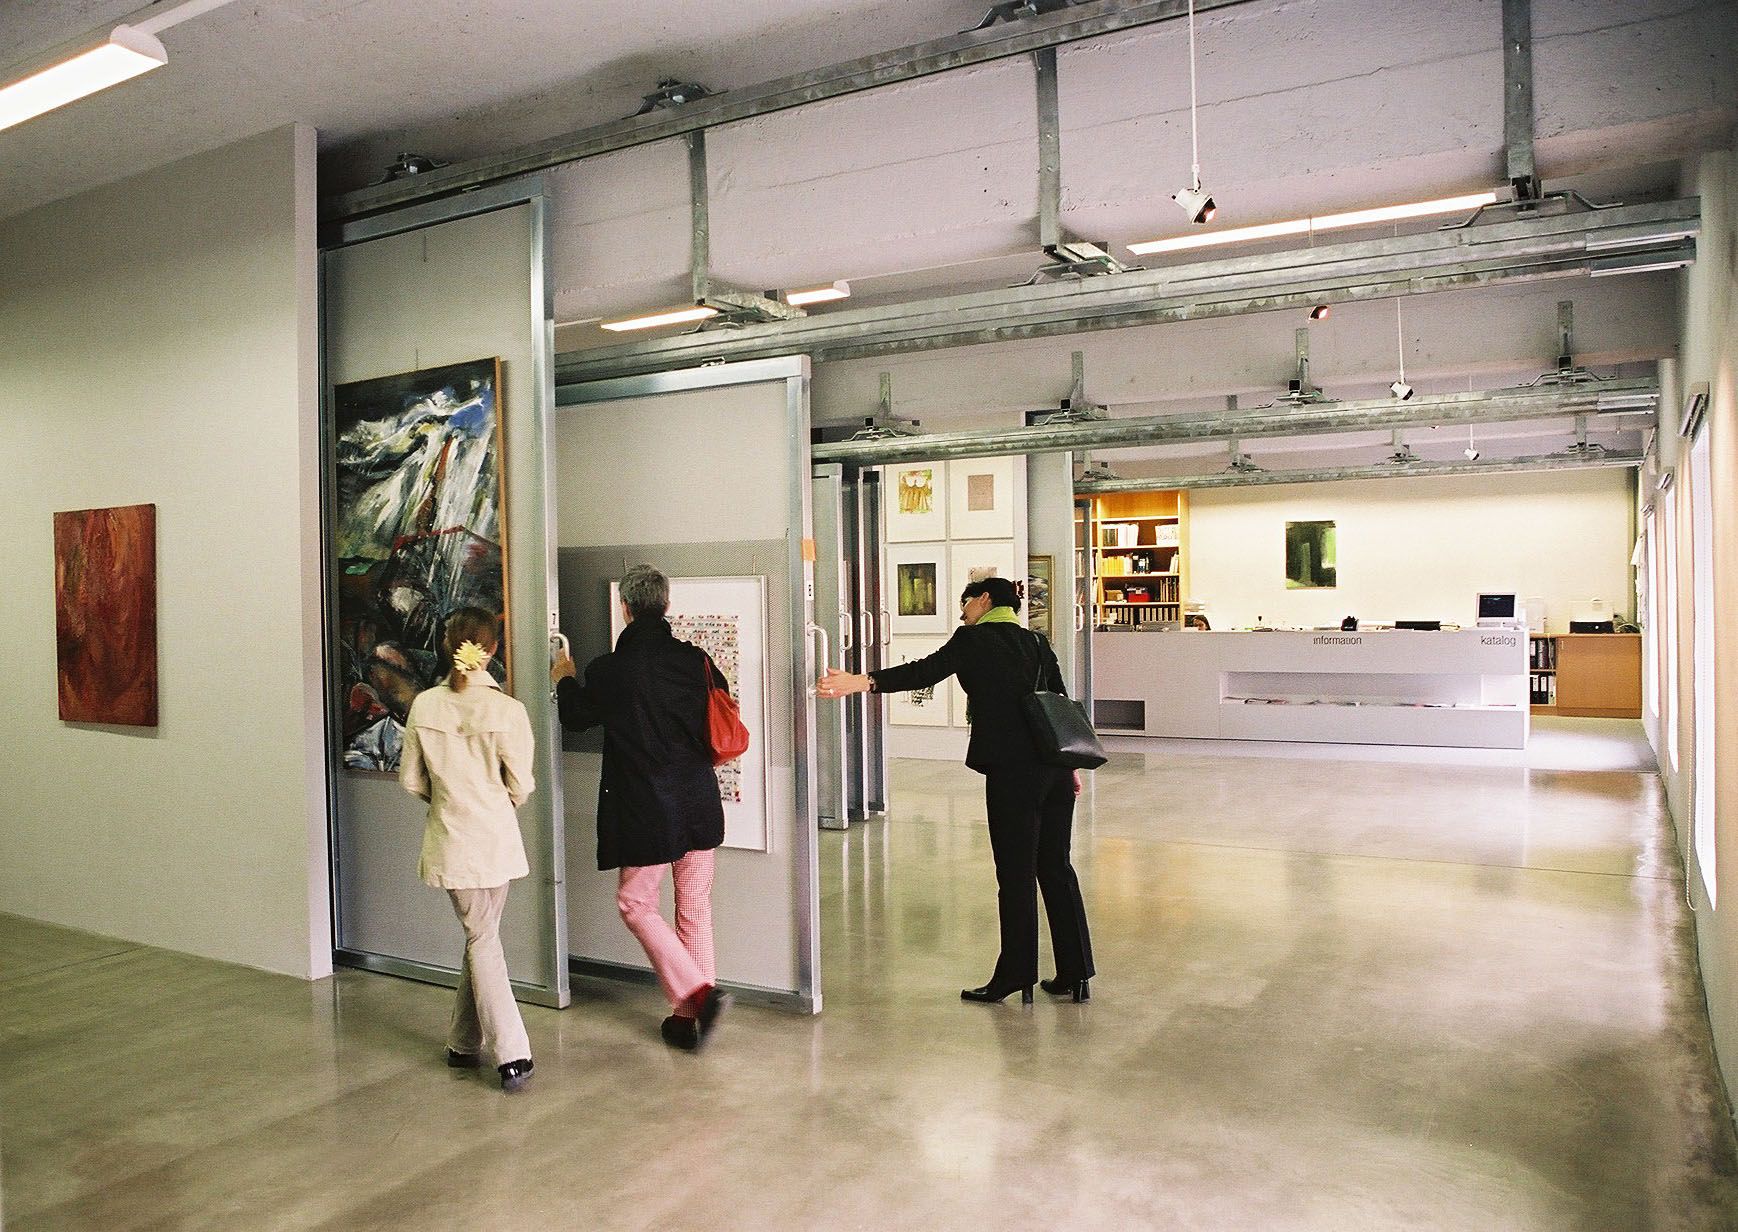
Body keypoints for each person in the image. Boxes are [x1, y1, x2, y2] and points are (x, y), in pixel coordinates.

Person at [818, 575, 1095, 1006]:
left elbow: (922, 672)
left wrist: (862, 681)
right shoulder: (1037, 644)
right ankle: (1076, 973)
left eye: (965, 602)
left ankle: (1016, 974)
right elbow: (1058, 701)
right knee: (1057, 867)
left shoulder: (973, 641)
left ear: (984, 600)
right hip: (1054, 769)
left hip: (1012, 772)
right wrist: (1069, 767)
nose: (962, 611)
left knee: (1016, 874)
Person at [551, 565, 731, 1050]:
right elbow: (720, 708)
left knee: (635, 904)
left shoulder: (609, 671)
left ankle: (696, 996)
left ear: (625, 608)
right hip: (697, 804)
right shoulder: (697, 661)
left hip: (647, 810)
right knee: (693, 910)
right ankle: (691, 1018)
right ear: (666, 606)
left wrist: (565, 678)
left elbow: (577, 716)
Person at [398, 607, 537, 1093]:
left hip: (451, 839)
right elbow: (522, 785)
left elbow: (411, 780)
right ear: (492, 648)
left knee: (482, 935)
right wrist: (495, 801)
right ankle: (512, 1054)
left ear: (445, 645)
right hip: (495, 840)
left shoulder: (424, 707)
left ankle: (462, 1043)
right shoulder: (508, 711)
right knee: (483, 936)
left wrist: (447, 801)